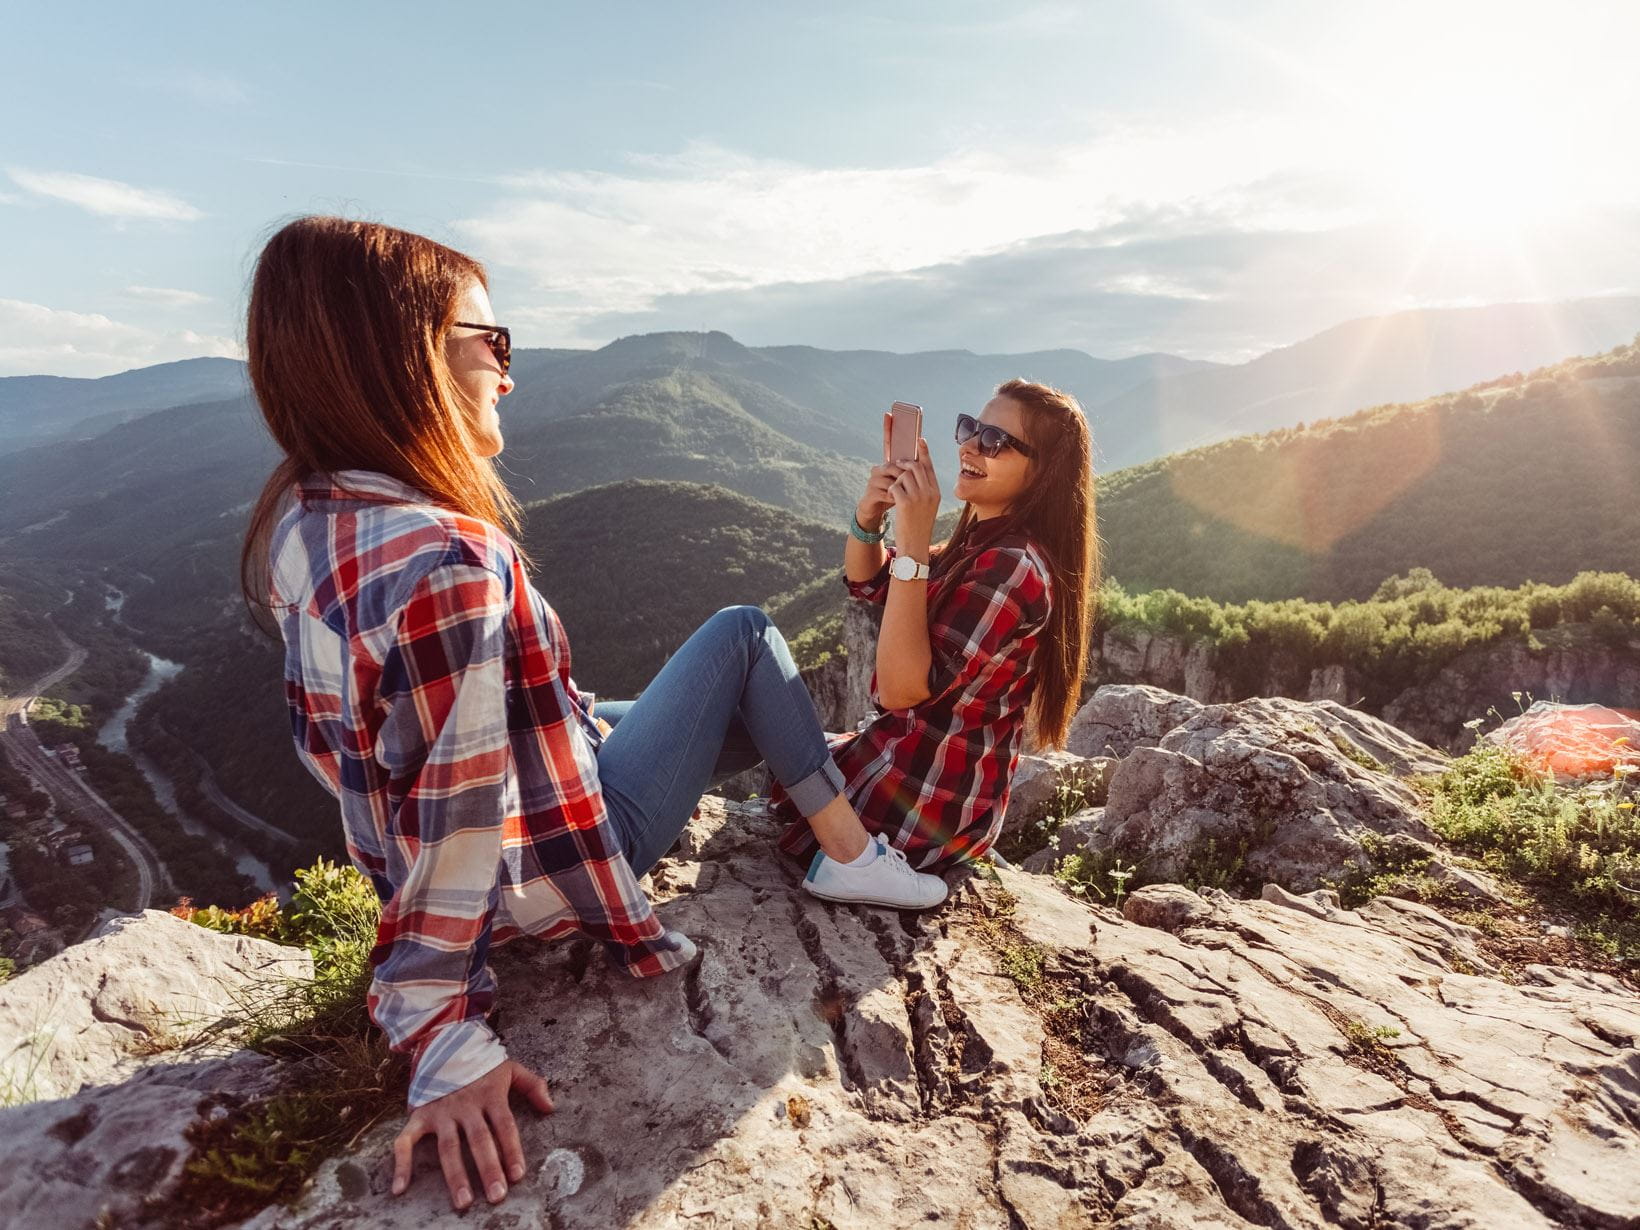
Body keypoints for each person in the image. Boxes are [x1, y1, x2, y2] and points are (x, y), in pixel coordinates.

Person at [237, 216, 946, 1214]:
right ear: (402, 360)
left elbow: (401, 757)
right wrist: (441, 1033)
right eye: (492, 343)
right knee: (746, 637)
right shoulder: (447, 567)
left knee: (749, 702)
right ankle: (843, 847)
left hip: (523, 785)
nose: (508, 371)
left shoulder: (312, 516)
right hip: (551, 864)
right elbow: (458, 819)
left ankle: (809, 760)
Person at [772, 380, 1099, 873]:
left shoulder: (1012, 568)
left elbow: (901, 690)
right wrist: (870, 515)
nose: (968, 445)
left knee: (748, 641)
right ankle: (613, 766)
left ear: (1043, 475)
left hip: (917, 810)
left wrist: (913, 533)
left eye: (994, 441)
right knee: (740, 694)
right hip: (906, 779)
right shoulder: (980, 546)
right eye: (972, 428)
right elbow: (873, 583)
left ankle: (617, 795)